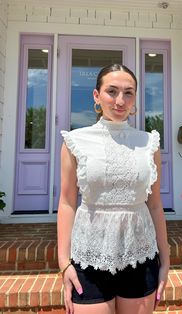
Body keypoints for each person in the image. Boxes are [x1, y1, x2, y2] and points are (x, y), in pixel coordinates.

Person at [57, 64, 170, 314]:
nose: (120, 100)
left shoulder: (149, 142)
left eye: (128, 93)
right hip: (89, 256)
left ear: (135, 99)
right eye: (112, 91)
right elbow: (66, 203)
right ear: (97, 96)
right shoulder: (75, 141)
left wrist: (166, 261)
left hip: (140, 255)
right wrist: (64, 262)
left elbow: (154, 204)